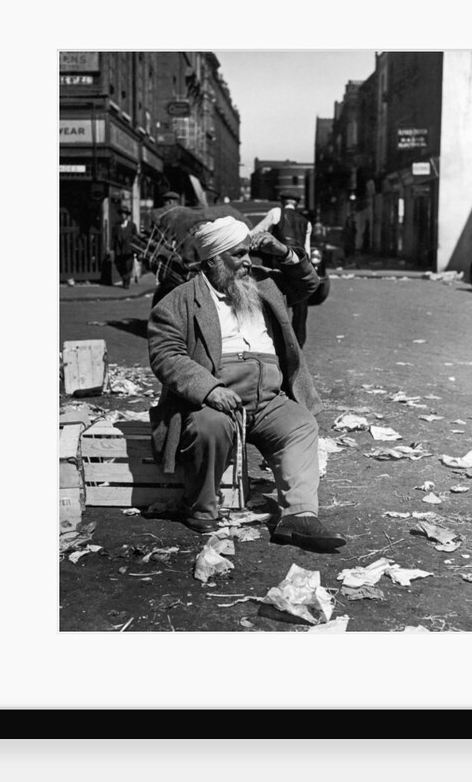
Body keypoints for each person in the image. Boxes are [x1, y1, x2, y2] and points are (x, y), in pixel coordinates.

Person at [147, 216, 346, 552]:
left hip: (268, 399)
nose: (247, 262)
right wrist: (209, 389)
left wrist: (281, 251)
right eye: (237, 255)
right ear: (213, 261)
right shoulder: (178, 301)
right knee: (210, 426)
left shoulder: (264, 285)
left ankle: (298, 516)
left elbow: (308, 284)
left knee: (300, 425)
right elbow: (166, 355)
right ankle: (200, 507)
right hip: (214, 399)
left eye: (247, 253)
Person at [249, 192, 313, 348]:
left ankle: (278, 341)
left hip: (278, 265)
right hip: (297, 265)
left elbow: (256, 232)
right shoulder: (306, 222)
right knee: (300, 307)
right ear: (296, 204)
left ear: (282, 202)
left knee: (277, 303)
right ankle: (298, 344)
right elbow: (307, 250)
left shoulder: (276, 213)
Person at [111, 208, 137, 289]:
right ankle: (124, 278)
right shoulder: (116, 226)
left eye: (124, 214)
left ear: (127, 216)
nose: (123, 216)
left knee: (128, 266)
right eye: (121, 214)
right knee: (119, 265)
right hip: (118, 250)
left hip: (128, 249)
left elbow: (135, 238)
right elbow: (113, 238)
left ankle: (126, 282)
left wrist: (136, 249)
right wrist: (112, 249)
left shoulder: (132, 225)